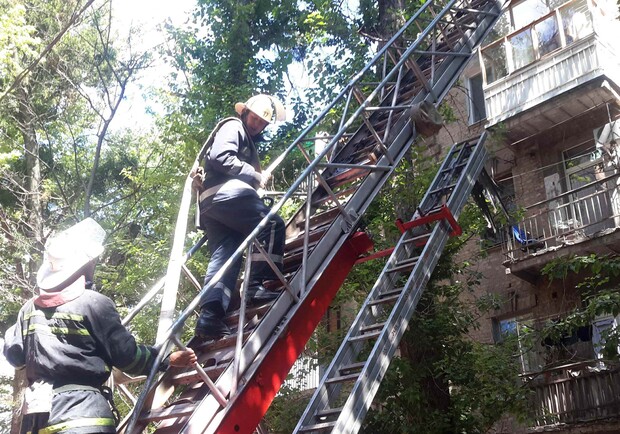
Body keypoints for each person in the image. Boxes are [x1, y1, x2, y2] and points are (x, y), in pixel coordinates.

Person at [3, 218, 197, 434]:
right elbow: (128, 358)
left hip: (36, 420)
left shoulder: (28, 309)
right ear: (83, 266)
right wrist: (165, 360)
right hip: (84, 416)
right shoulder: (94, 304)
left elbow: (15, 357)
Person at [193, 94, 287, 340]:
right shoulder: (233, 126)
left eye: (262, 123)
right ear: (244, 113)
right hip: (226, 195)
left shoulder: (244, 136)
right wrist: (255, 175)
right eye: (254, 119)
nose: (257, 125)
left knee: (227, 255)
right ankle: (256, 286)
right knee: (272, 225)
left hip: (213, 204)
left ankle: (210, 317)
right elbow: (220, 157)